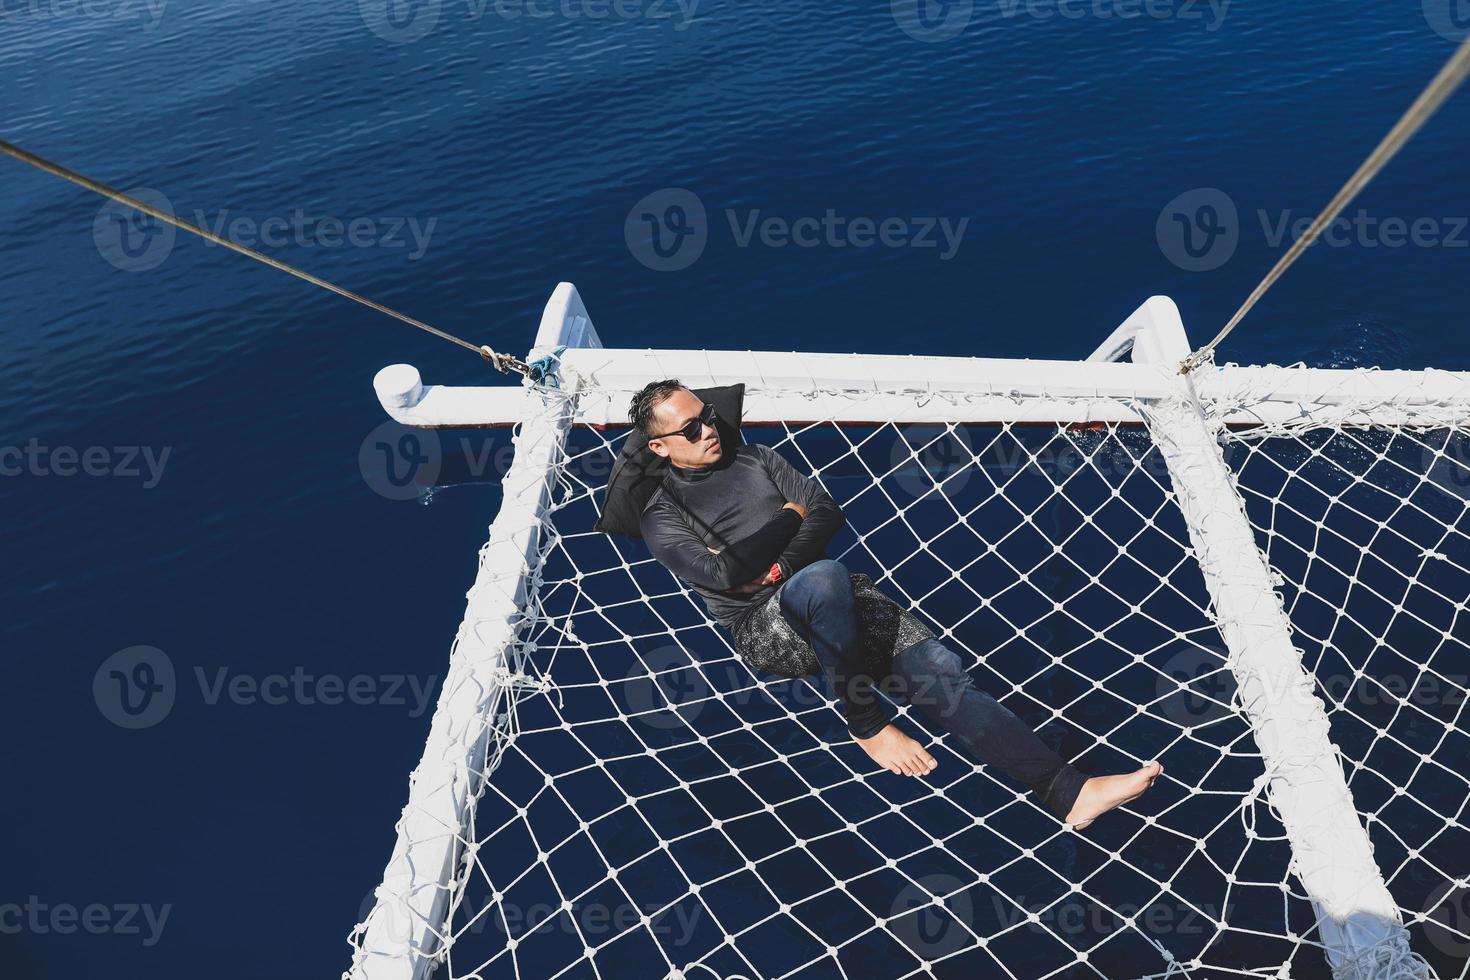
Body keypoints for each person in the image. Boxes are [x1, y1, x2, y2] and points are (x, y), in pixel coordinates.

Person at [632, 379, 1161, 829]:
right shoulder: (662, 513)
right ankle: (866, 724)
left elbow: (826, 513)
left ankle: (1067, 789)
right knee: (821, 577)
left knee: (940, 674)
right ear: (659, 448)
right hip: (765, 627)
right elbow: (724, 573)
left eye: (708, 416)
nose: (708, 430)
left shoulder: (758, 458)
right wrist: (788, 521)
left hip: (841, 598)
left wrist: (777, 563)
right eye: (690, 429)